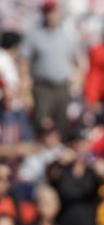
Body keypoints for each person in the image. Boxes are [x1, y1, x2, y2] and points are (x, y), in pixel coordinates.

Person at [20, 0, 81, 133]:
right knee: (42, 124)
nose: (50, 16)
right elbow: (24, 62)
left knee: (62, 124)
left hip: (62, 88)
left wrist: (77, 79)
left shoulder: (67, 35)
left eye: (53, 12)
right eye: (47, 13)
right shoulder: (34, 35)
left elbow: (78, 61)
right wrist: (25, 90)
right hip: (42, 88)